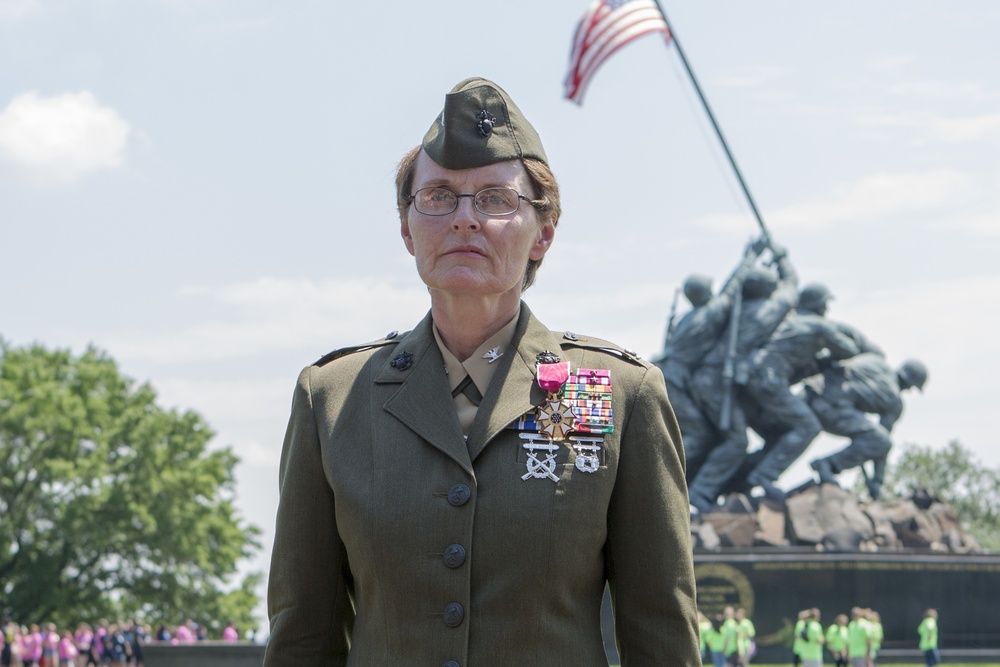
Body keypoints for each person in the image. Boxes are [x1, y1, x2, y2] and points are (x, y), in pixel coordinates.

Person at [263, 77, 700, 667]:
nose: (464, 219)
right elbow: (302, 638)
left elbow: (661, 636)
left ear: (543, 234)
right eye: (438, 197)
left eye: (495, 199)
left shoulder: (623, 396)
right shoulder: (334, 400)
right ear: (405, 227)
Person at [686, 247, 798, 509]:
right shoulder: (766, 310)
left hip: (705, 381)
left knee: (720, 438)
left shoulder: (734, 312)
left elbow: (730, 289)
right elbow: (791, 287)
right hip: (714, 383)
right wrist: (782, 259)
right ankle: (700, 493)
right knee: (736, 441)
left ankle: (723, 486)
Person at [655, 237, 767, 481]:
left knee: (703, 433)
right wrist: (750, 256)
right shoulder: (707, 315)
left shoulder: (687, 317)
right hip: (674, 381)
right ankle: (658, 479)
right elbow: (733, 288)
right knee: (698, 435)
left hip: (670, 377)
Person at [807, 354, 928, 499]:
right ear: (909, 382)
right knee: (881, 442)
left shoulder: (876, 361)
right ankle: (827, 464)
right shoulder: (894, 399)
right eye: (911, 387)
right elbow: (881, 445)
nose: (909, 390)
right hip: (831, 407)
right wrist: (877, 481)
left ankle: (826, 466)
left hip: (813, 392)